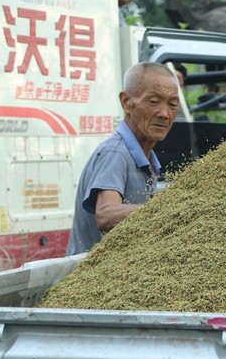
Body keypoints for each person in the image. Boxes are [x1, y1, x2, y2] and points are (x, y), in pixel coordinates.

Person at [66, 61, 180, 255]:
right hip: (94, 271)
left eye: (173, 105)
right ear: (126, 102)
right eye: (153, 102)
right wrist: (166, 209)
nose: (164, 114)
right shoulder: (115, 153)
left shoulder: (148, 159)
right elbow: (106, 214)